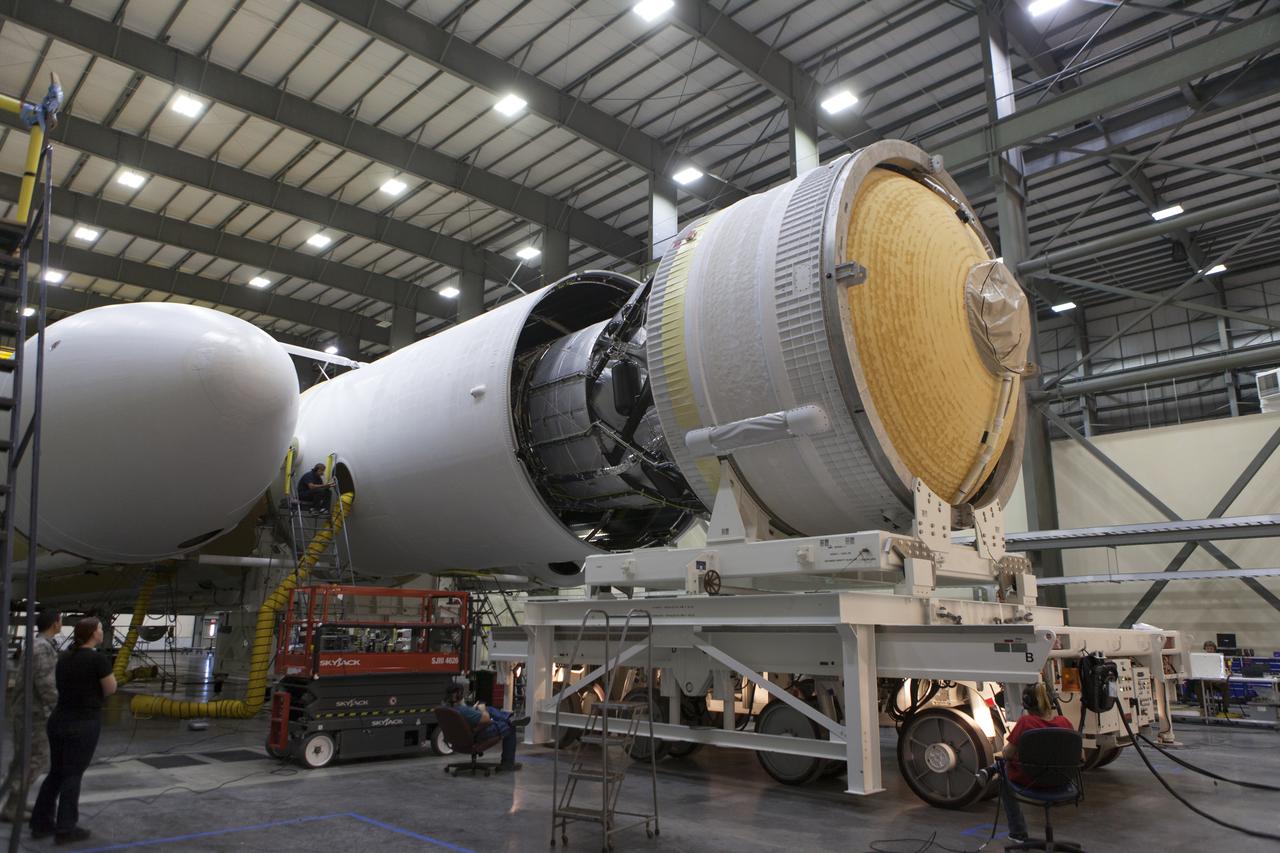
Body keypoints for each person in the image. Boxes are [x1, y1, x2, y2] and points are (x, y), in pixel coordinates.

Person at [30, 617, 116, 845]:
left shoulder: (64, 657)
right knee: (73, 774)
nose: (102, 631)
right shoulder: (98, 660)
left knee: (56, 772)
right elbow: (110, 689)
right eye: (99, 629)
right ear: (92, 634)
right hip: (84, 722)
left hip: (59, 719)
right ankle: (66, 828)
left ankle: (40, 823)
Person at [982, 683, 1074, 843]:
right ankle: (990, 770)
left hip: (1031, 782)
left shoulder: (1026, 723)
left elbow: (1006, 753)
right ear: (1051, 700)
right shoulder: (1065, 723)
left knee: (1004, 768)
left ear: (1026, 703)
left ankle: (1018, 832)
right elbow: (1081, 758)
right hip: (1062, 782)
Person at [1, 610, 61, 822]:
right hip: (33, 714)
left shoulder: (38, 645)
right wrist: (60, 707)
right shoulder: (41, 648)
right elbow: (46, 685)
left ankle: (16, 801)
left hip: (28, 711)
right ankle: (11, 806)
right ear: (55, 624)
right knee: (36, 759)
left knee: (24, 758)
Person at [451, 698, 529, 771]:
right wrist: (483, 710)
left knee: (488, 708)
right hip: (476, 735)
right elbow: (486, 720)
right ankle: (507, 763)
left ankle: (508, 718)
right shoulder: (463, 710)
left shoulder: (448, 709)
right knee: (511, 726)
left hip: (461, 738)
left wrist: (474, 709)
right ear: (457, 695)